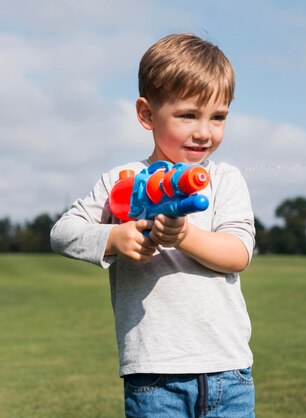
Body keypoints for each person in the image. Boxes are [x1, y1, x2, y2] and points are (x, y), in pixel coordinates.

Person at [50, 33, 256, 418]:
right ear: (146, 114)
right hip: (155, 375)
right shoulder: (123, 179)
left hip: (229, 371)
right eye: (188, 115)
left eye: (218, 117)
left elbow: (238, 253)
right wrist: (114, 236)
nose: (204, 132)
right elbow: (63, 232)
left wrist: (185, 236)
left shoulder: (226, 179)